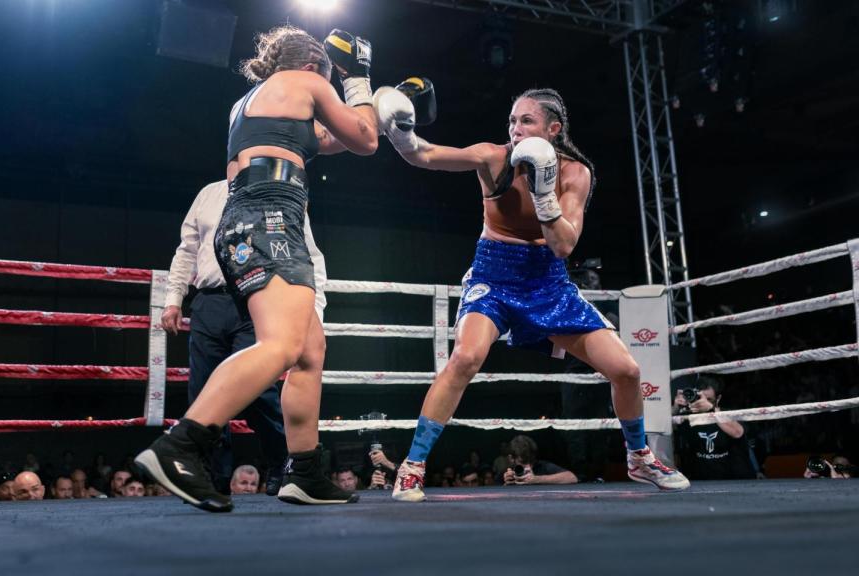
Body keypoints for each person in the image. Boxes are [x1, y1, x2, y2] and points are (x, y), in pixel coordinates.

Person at [376, 87, 689, 502]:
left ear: (553, 129)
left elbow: (563, 246)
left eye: (527, 121)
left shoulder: (575, 173)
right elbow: (424, 155)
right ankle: (413, 467)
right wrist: (400, 132)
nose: (516, 129)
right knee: (466, 357)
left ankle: (639, 457)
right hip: (493, 275)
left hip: (547, 282)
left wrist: (545, 196)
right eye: (512, 121)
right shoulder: (493, 157)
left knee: (627, 371)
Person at [136, 24, 382, 513]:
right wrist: (359, 81)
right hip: (269, 213)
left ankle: (305, 473)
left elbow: (332, 139)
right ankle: (182, 444)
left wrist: (389, 117)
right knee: (283, 345)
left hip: (250, 217)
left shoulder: (259, 99)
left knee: (309, 350)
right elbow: (364, 138)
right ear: (315, 66)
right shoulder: (306, 82)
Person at [162, 178, 328, 496]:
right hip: (209, 301)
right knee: (203, 392)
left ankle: (283, 463)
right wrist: (173, 299)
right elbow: (187, 250)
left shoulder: (283, 193)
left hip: (257, 299)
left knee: (258, 392)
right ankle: (212, 479)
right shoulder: (208, 193)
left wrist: (313, 312)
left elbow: (309, 256)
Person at [673, 377, 755, 480]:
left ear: (718, 398)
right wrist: (674, 409)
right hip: (702, 484)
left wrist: (711, 410)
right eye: (700, 398)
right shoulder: (688, 418)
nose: (703, 402)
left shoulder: (729, 415)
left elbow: (737, 432)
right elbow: (664, 430)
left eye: (709, 400)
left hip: (736, 481)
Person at [502, 435, 577, 486]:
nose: (529, 467)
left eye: (531, 461)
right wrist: (506, 485)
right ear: (511, 459)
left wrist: (537, 479)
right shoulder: (507, 473)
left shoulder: (543, 466)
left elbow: (572, 477)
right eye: (523, 462)